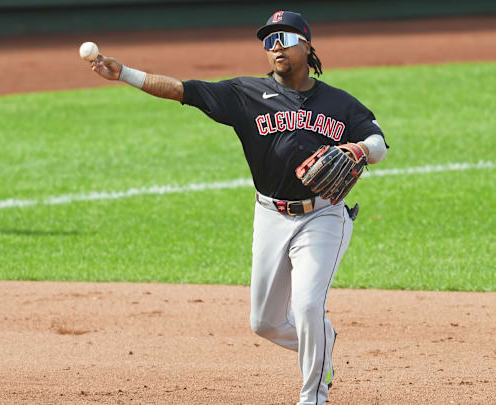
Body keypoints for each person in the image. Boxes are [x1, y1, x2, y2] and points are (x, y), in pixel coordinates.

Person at [88, 10, 387, 405]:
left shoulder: (339, 103)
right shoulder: (245, 94)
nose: (276, 46)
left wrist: (359, 148)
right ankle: (322, 340)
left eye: (285, 38)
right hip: (269, 214)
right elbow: (181, 89)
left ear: (308, 45)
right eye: (269, 40)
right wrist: (123, 72)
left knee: (309, 303)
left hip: (323, 214)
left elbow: (378, 143)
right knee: (264, 322)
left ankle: (313, 395)